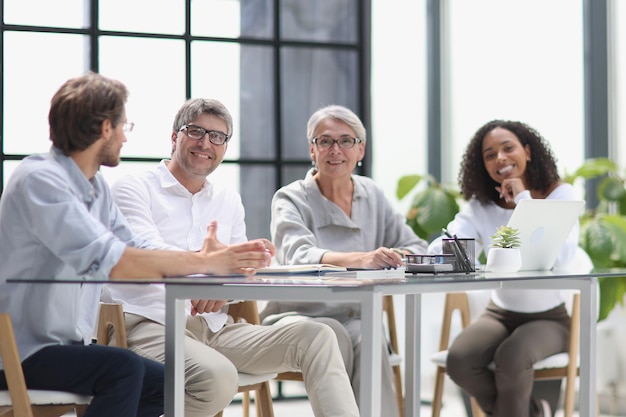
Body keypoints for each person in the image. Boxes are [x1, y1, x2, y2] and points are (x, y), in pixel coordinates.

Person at [0, 73, 274, 417]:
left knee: (162, 385)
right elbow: (115, 261)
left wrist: (209, 259)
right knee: (124, 369)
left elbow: (138, 245)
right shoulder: (40, 180)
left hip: (67, 348)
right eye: (123, 126)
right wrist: (205, 262)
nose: (125, 137)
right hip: (20, 350)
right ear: (104, 128)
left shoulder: (94, 187)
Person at [103, 98, 359, 417]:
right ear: (174, 137)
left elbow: (240, 272)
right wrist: (212, 273)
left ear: (225, 147)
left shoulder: (227, 199)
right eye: (195, 131)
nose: (205, 143)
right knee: (217, 378)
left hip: (214, 327)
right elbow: (150, 254)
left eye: (217, 137)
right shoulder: (134, 188)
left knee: (318, 335)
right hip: (148, 324)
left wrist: (224, 288)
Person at [260, 104, 428, 416]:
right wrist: (363, 259)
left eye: (346, 141)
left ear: (360, 148)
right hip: (299, 317)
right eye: (325, 141)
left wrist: (396, 256)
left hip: (356, 317)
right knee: (334, 336)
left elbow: (415, 245)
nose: (335, 150)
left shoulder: (372, 194)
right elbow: (299, 256)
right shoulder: (290, 198)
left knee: (369, 334)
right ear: (312, 149)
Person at [427, 119, 580, 417]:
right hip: (499, 313)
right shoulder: (480, 205)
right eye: (489, 154)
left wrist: (523, 197)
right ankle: (536, 412)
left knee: (512, 356)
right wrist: (433, 251)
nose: (500, 158)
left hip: (550, 318)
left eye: (508, 148)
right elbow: (455, 242)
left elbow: (557, 257)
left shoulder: (559, 194)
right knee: (460, 360)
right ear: (482, 165)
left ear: (527, 151)